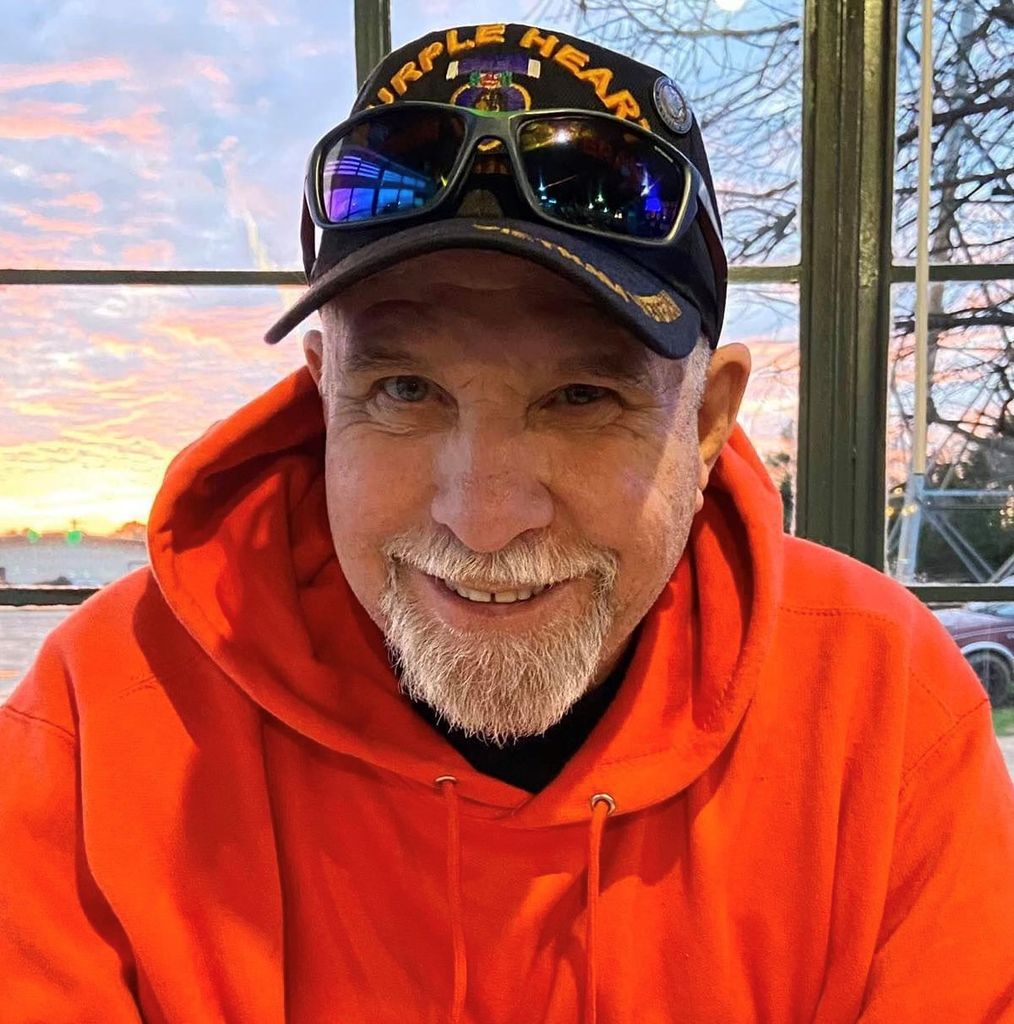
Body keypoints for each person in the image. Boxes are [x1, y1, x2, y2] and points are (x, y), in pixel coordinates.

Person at [2, 21, 1012, 1024]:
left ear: (707, 422)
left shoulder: (882, 716)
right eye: (405, 390)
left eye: (581, 397)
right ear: (323, 395)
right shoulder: (102, 728)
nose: (483, 521)